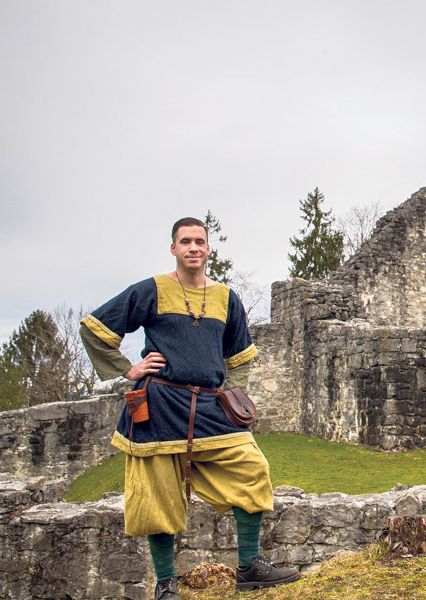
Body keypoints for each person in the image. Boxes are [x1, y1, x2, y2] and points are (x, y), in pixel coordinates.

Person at [80, 217, 299, 599]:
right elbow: (95, 327)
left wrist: (229, 393)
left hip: (210, 408)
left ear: (208, 248)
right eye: (185, 241)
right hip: (159, 407)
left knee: (252, 469)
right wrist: (127, 369)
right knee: (157, 499)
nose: (193, 247)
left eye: (199, 241)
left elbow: (240, 355)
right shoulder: (151, 290)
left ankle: (249, 566)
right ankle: (166, 585)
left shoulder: (226, 298)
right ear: (174, 248)